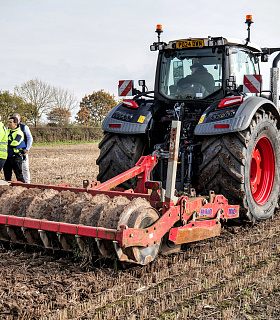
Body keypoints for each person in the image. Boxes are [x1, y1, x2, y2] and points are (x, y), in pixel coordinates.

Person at [3, 116, 25, 182]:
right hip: (7, 157)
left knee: (19, 177)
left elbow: (15, 143)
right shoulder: (6, 131)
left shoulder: (19, 133)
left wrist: (6, 142)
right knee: (7, 178)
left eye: (10, 122)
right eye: (8, 122)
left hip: (16, 158)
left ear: (15, 124)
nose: (9, 123)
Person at [13, 113, 33, 183]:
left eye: (16, 119)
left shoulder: (24, 127)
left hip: (23, 151)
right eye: (14, 119)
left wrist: (27, 148)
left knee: (25, 168)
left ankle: (27, 183)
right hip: (13, 152)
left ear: (19, 119)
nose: (15, 120)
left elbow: (30, 138)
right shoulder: (9, 128)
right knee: (17, 169)